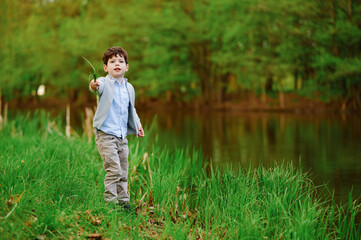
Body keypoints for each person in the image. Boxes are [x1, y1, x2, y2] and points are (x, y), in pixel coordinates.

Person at [89, 46, 144, 211]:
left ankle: (123, 201)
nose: (117, 64)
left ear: (127, 66)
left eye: (121, 61)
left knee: (123, 170)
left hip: (122, 136)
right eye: (112, 61)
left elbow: (131, 109)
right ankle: (110, 203)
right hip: (106, 135)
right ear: (106, 67)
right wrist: (93, 85)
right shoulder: (104, 83)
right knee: (113, 169)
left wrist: (138, 124)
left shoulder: (129, 88)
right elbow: (96, 87)